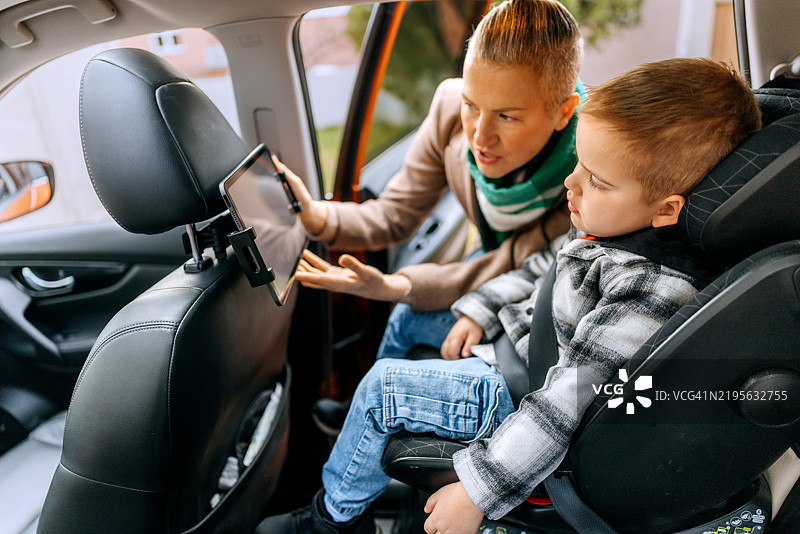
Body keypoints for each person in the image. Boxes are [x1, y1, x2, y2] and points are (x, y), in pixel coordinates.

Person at [255, 57, 761, 534]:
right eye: (578, 165)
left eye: (597, 181)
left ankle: (332, 519)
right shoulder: (611, 228)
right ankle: (370, 440)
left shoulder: (648, 290)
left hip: (523, 391)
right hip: (522, 341)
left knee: (384, 387)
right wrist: (482, 307)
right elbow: (541, 270)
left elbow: (565, 406)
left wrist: (477, 493)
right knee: (410, 316)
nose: (572, 183)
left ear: (668, 209)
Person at [281, 0, 583, 358]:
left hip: (538, 285)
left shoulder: (588, 169)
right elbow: (396, 212)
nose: (479, 137)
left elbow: (513, 262)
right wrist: (319, 217)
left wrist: (397, 285)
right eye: (471, 105)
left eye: (507, 117)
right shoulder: (447, 107)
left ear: (564, 111)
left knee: (404, 315)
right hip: (493, 260)